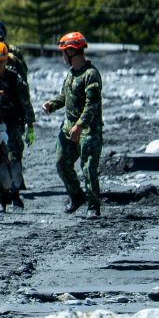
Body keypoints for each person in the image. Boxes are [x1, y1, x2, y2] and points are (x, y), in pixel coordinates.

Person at [42, 31, 104, 215]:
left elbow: (91, 105)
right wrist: (51, 105)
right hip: (68, 127)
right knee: (61, 163)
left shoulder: (91, 74)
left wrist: (79, 126)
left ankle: (93, 206)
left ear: (71, 51)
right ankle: (77, 196)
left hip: (88, 130)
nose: (62, 55)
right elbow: (65, 96)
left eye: (63, 51)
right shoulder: (71, 74)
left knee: (88, 168)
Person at [0, 39, 35, 208]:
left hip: (13, 124)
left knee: (14, 159)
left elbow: (25, 102)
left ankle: (15, 194)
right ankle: (1, 201)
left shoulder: (14, 79)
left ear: (6, 60)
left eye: (1, 62)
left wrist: (30, 126)